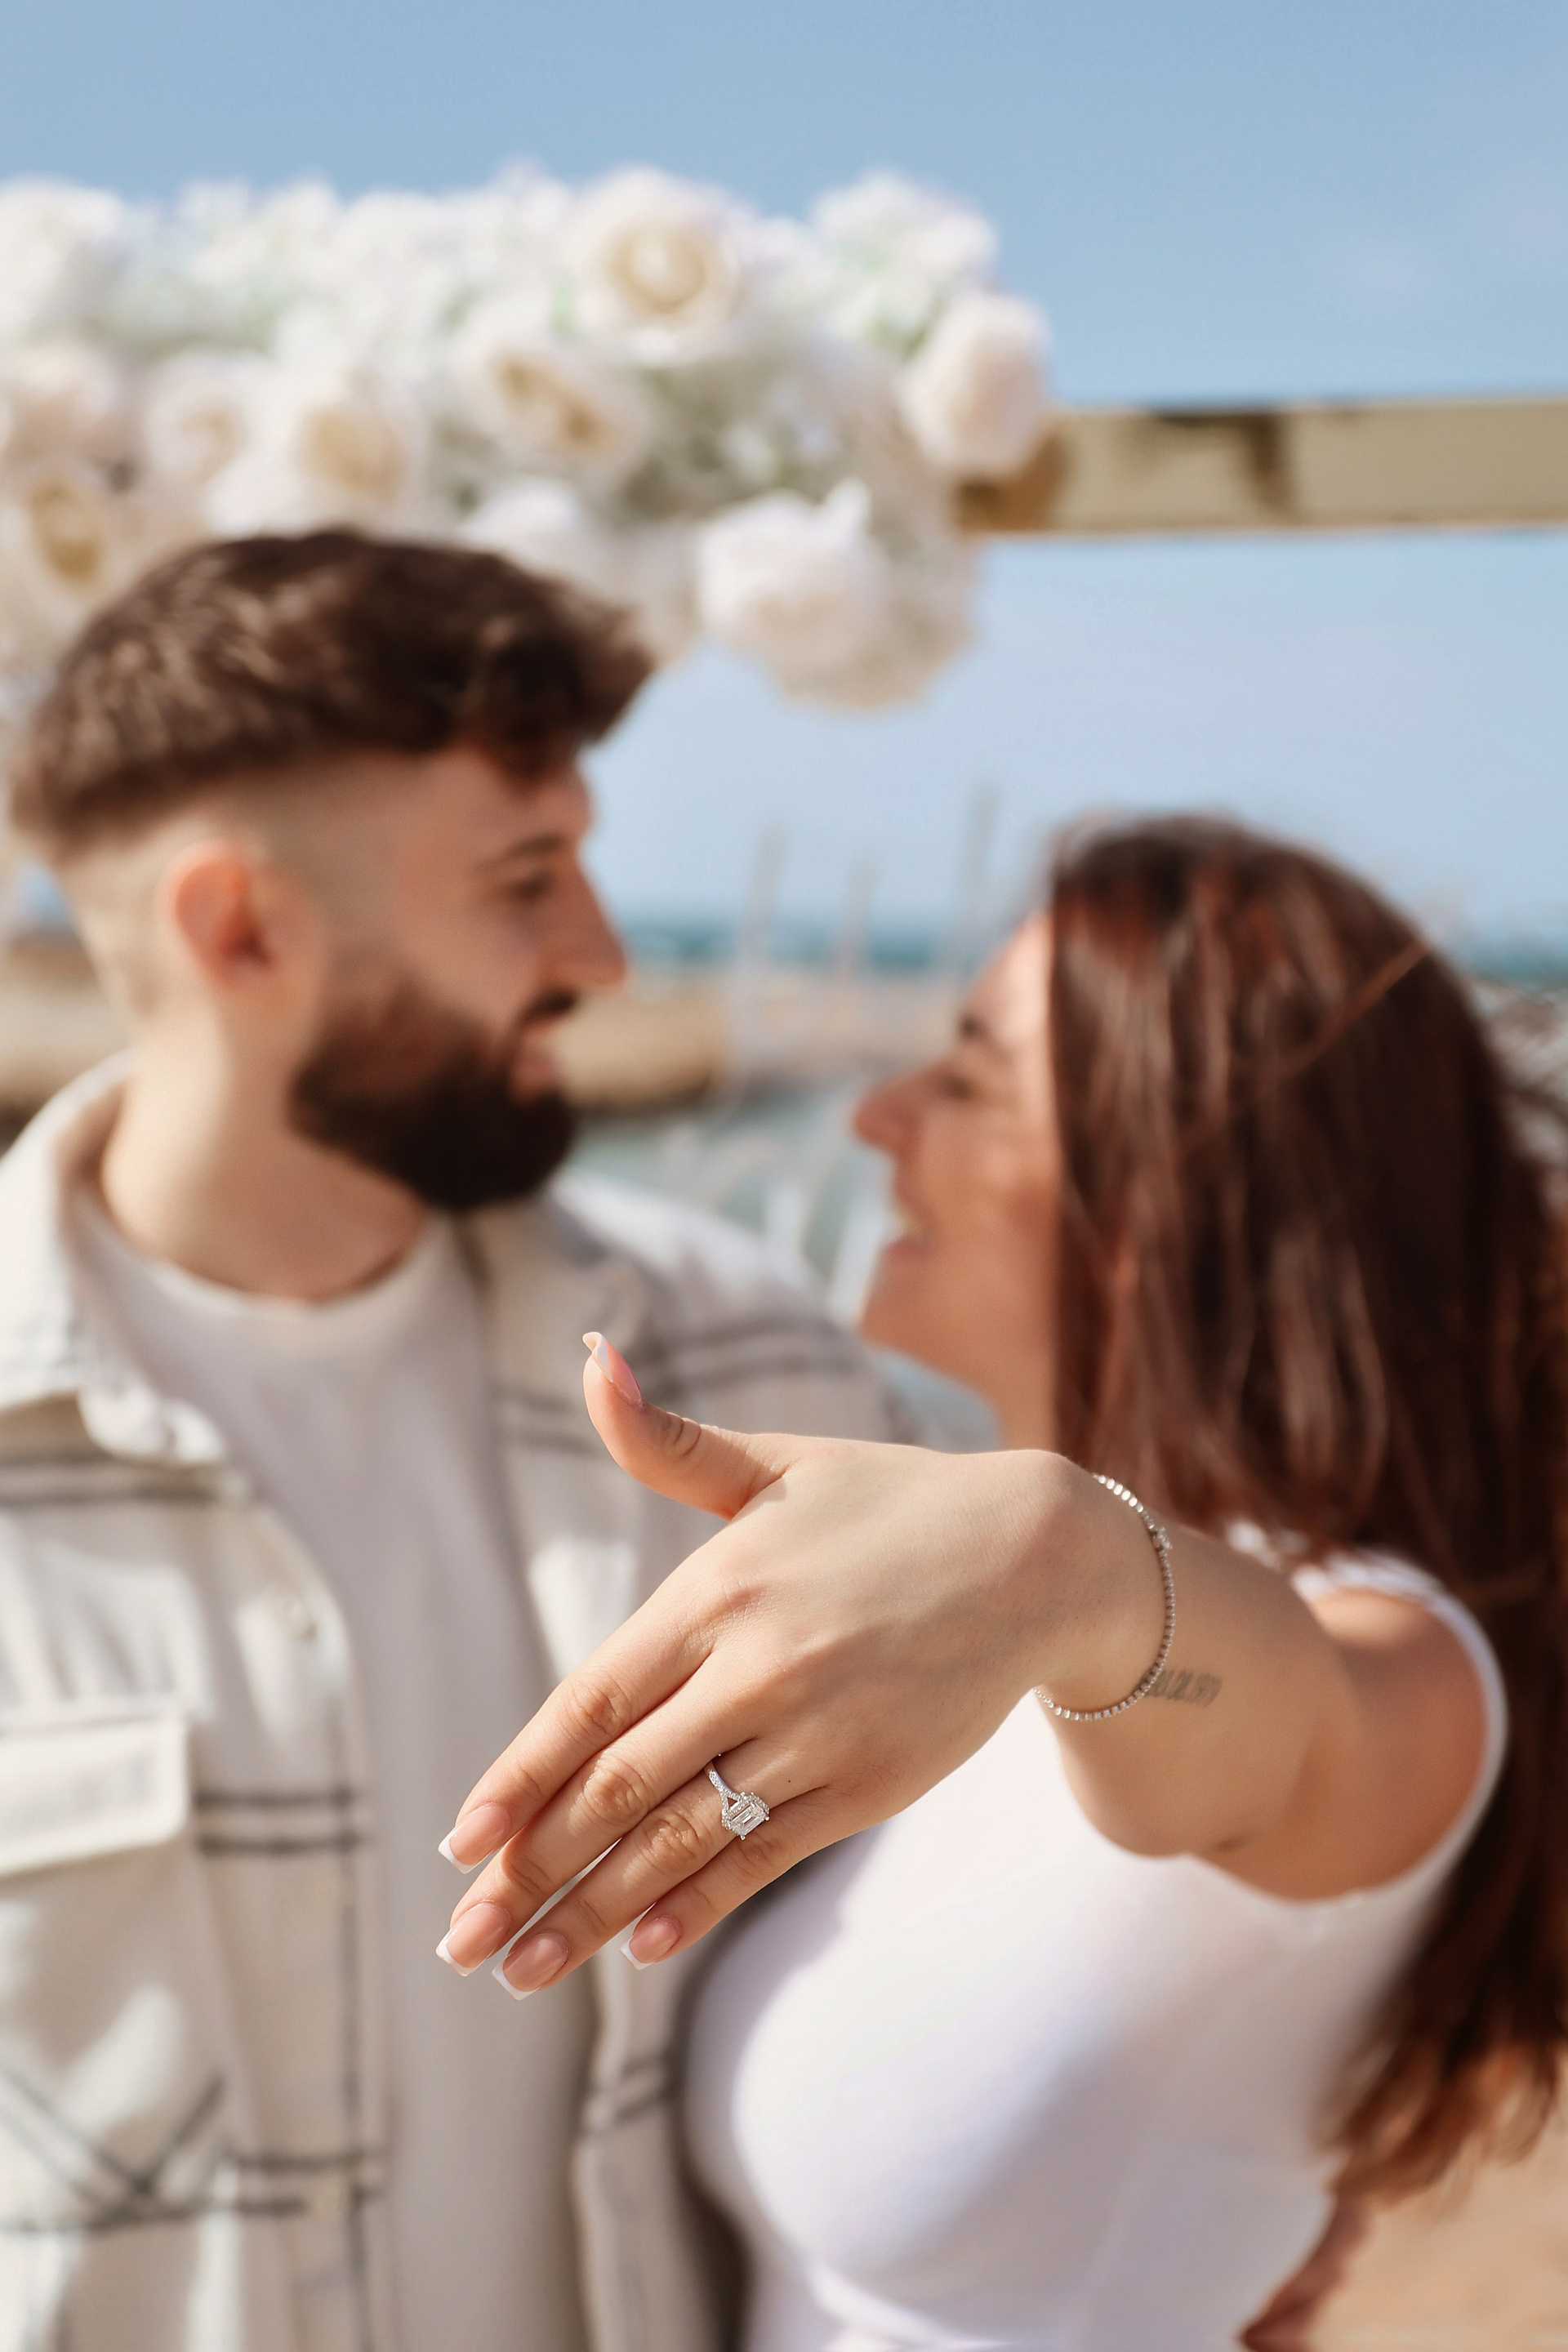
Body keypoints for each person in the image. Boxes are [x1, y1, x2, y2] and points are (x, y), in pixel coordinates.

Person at [443, 819, 1568, 2351]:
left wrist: (1065, 1557)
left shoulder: (1396, 1665)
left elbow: (1279, 1705)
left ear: (1174, 1188)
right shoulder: (966, 1631)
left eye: (969, 1080)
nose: (877, 1116)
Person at [0, 532, 928, 2352]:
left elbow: (994, 1910)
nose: (601, 953)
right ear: (239, 930)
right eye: (525, 879)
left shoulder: (755, 1370)